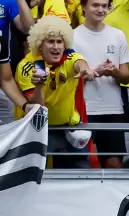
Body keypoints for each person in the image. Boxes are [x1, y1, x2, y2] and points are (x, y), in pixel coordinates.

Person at [14, 15, 98, 169]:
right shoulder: (29, 65)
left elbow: (79, 63)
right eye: (50, 41)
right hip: (41, 128)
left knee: (80, 173)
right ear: (40, 45)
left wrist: (86, 69)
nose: (56, 47)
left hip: (70, 127)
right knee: (39, 174)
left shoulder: (69, 57)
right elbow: (37, 108)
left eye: (59, 41)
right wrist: (39, 85)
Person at [73, 0, 129, 168]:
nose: (100, 9)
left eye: (105, 6)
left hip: (113, 109)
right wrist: (93, 72)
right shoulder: (73, 36)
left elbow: (126, 77)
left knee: (114, 164)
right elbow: (69, 79)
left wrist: (113, 71)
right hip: (83, 110)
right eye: (95, 5)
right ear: (83, 6)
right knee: (81, 166)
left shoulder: (117, 35)